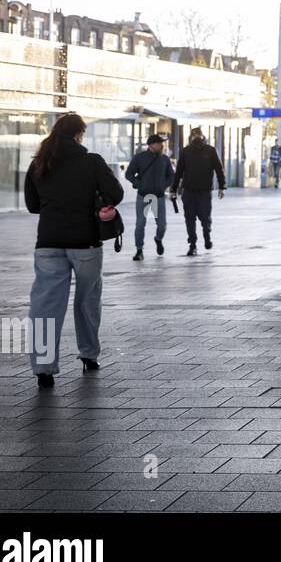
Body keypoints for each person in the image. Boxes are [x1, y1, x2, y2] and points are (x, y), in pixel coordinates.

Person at [24, 113, 124, 389]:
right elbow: (115, 193)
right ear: (79, 134)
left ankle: (43, 369)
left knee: (45, 306)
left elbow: (33, 205)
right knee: (87, 300)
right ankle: (89, 356)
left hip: (48, 242)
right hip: (86, 242)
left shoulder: (39, 163)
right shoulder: (91, 161)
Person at [170, 127, 226, 256]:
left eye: (198, 135)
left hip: (205, 191)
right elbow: (178, 172)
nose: (196, 138)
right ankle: (193, 245)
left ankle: (207, 235)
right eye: (194, 135)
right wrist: (173, 189)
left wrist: (222, 186)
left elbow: (219, 169)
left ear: (202, 136)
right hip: (188, 190)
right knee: (189, 218)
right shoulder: (185, 152)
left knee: (205, 217)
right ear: (191, 137)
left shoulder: (210, 151)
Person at [125, 133, 175, 261]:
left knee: (162, 225)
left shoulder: (164, 159)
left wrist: (164, 185)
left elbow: (171, 175)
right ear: (152, 145)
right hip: (143, 196)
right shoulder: (139, 158)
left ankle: (158, 239)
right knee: (140, 224)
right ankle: (139, 250)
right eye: (159, 143)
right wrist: (139, 184)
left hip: (158, 196)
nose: (162, 145)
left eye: (162, 143)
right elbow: (129, 174)